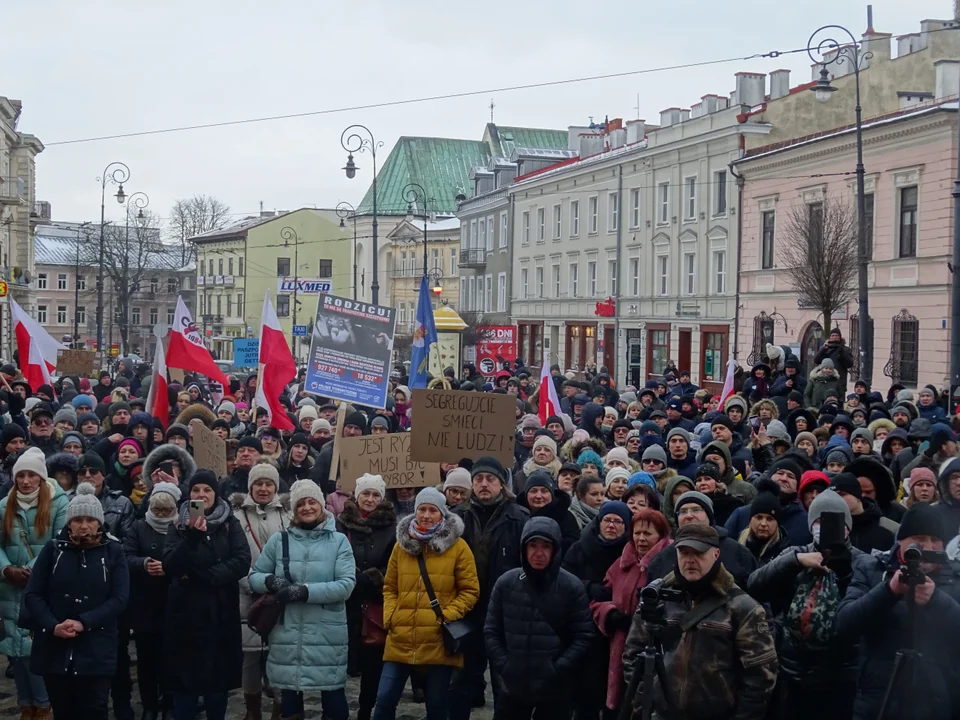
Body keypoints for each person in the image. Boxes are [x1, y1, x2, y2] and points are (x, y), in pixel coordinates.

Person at [622, 524, 778, 719]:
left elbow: (761, 676)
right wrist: (647, 706)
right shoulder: (657, 599)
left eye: (698, 553)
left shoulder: (741, 607)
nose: (690, 560)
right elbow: (633, 657)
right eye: (684, 553)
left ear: (716, 554)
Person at [747, 490, 865, 720]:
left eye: (833, 519)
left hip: (843, 674)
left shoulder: (862, 561)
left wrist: (844, 573)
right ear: (811, 525)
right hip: (795, 672)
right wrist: (795, 562)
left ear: (847, 525)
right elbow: (755, 585)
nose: (826, 525)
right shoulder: (795, 555)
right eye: (820, 520)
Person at [836, 503, 960, 720]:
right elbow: (844, 624)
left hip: (937, 704)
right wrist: (888, 591)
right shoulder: (872, 570)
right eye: (919, 539)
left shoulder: (956, 580)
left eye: (935, 540)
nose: (927, 547)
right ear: (900, 542)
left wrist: (936, 600)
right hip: (879, 702)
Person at [249, 480, 356, 720]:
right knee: (290, 702)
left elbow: (346, 585)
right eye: (301, 504)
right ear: (294, 510)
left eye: (312, 502)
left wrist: (304, 592)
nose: (307, 508)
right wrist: (270, 582)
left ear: (321, 505)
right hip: (288, 633)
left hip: (327, 634)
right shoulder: (279, 540)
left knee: (334, 701)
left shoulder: (338, 541)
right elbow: (253, 576)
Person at [23, 483, 129, 720]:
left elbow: (120, 598)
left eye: (90, 520)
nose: (84, 525)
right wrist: (53, 625)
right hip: (55, 649)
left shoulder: (113, 551)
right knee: (64, 711)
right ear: (69, 522)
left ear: (99, 522)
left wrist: (85, 622)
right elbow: (32, 594)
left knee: (94, 710)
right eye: (78, 519)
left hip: (97, 649)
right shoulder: (53, 551)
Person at [374, 487, 479, 720]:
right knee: (384, 700)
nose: (427, 515)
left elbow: (470, 591)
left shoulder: (458, 548)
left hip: (437, 639)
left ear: (442, 514)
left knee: (437, 704)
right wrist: (391, 616)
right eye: (422, 509)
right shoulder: (401, 546)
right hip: (401, 637)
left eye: (433, 510)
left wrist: (445, 615)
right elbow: (390, 587)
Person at [484, 516, 594, 719]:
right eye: (532, 545)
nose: (539, 553)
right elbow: (491, 630)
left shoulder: (571, 586)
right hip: (513, 685)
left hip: (555, 687)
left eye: (546, 546)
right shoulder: (506, 583)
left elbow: (584, 635)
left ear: (555, 549)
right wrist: (505, 665)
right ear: (523, 548)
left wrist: (558, 668)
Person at [163, 470, 251, 720]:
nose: (202, 495)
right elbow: (170, 564)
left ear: (216, 493)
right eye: (196, 490)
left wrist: (205, 576)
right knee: (185, 685)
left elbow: (241, 560)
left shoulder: (229, 523)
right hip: (185, 617)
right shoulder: (178, 524)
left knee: (217, 684)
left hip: (220, 613)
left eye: (207, 490)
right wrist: (191, 538)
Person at [451, 457, 528, 719]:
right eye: (479, 479)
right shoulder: (457, 517)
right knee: (460, 682)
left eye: (490, 479)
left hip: (504, 614)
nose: (484, 484)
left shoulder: (519, 518)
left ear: (501, 483)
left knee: (504, 685)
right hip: (465, 612)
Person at [0, 447, 69, 719]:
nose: (26, 481)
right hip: (8, 586)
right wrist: (6, 569)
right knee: (15, 653)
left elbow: (58, 542)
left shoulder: (58, 502)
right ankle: (26, 705)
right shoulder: (4, 505)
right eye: (21, 475)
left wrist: (30, 570)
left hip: (40, 586)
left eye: (31, 475)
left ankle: (42, 706)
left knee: (34, 651)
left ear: (41, 478)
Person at [590, 508, 672, 715]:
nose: (641, 539)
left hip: (659, 650)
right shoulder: (621, 564)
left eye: (647, 533)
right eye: (637, 533)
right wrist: (610, 614)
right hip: (620, 647)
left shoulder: (670, 563)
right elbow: (598, 600)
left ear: (661, 535)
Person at [561, 501, 632, 720]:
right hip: (584, 629)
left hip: (620, 631)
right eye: (607, 520)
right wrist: (588, 587)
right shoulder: (580, 547)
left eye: (618, 522)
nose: (611, 526)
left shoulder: (631, 552)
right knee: (586, 697)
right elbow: (563, 581)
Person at [231, 461, 291, 720]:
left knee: (281, 657)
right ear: (250, 486)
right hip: (245, 595)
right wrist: (250, 582)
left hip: (280, 596)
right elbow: (233, 553)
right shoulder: (236, 515)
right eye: (259, 484)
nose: (264, 488)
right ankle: (252, 710)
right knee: (250, 659)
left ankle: (279, 709)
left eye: (268, 484)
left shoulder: (288, 514)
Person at [336, 474, 397, 720]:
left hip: (375, 604)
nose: (370, 499)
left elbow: (395, 565)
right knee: (343, 661)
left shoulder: (392, 528)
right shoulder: (340, 524)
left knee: (373, 666)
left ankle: (366, 710)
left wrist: (373, 578)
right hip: (344, 604)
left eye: (375, 495)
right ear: (356, 495)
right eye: (366, 494)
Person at [123, 482, 181, 720]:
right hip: (146, 602)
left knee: (172, 657)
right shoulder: (138, 527)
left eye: (166, 512)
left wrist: (170, 567)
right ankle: (149, 704)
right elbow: (126, 556)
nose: (161, 516)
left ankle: (170, 702)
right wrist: (144, 563)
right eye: (157, 511)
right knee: (146, 658)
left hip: (175, 602)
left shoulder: (181, 528)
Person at [647, 490, 758, 591]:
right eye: (683, 511)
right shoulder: (661, 559)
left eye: (696, 510)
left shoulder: (738, 553)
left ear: (709, 516)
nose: (689, 516)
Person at [517, 470, 581, 557]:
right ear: (526, 494)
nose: (538, 496)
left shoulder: (566, 517)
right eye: (533, 491)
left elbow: (573, 548)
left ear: (552, 494)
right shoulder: (517, 516)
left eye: (544, 491)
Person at [829, 472, 896, 554]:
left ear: (857, 495)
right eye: (833, 496)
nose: (837, 499)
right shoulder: (830, 531)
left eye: (842, 494)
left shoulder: (887, 528)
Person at [737, 491, 790, 566]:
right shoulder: (737, 548)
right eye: (759, 517)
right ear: (751, 520)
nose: (763, 524)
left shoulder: (785, 553)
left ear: (777, 523)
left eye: (769, 519)